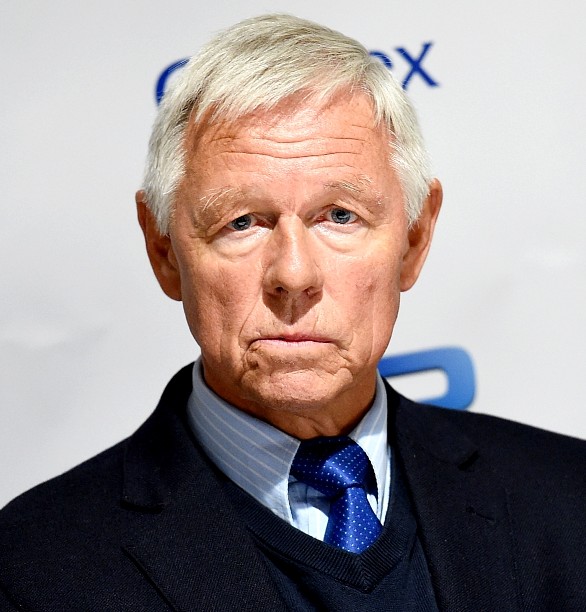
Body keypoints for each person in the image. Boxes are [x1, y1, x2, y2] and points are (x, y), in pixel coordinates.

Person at [0, 14, 584, 612]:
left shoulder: (570, 500)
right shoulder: (31, 571)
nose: (294, 276)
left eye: (340, 216)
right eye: (242, 222)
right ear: (164, 250)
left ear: (414, 239)